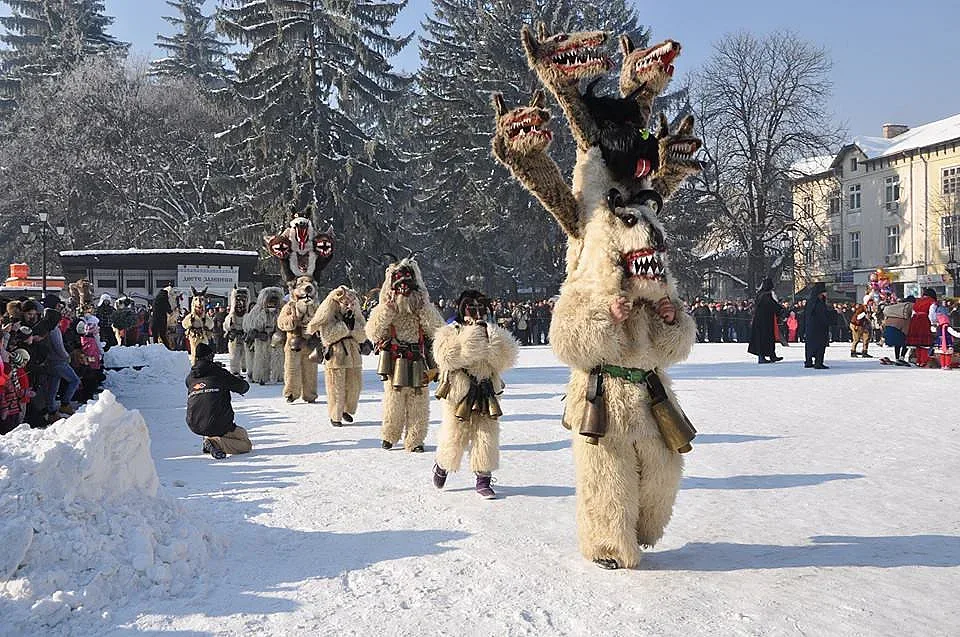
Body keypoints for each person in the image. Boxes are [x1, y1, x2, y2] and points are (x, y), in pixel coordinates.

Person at [185, 342, 252, 459]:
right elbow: (243, 387)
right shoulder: (219, 373)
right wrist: (233, 379)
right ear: (210, 357)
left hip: (195, 424)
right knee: (245, 445)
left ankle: (209, 438)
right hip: (218, 424)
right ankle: (216, 443)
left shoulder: (190, 378)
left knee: (242, 433)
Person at [747, 277, 783, 364]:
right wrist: (780, 308)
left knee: (768, 338)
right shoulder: (765, 295)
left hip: (763, 321)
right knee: (763, 339)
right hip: (763, 322)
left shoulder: (761, 294)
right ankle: (762, 356)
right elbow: (772, 305)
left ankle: (771, 355)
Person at [906, 288, 937, 366]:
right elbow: (932, 314)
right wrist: (934, 322)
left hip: (915, 320)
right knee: (924, 343)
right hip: (924, 320)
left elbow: (913, 312)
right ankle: (924, 361)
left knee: (918, 343)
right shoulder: (932, 302)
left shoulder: (918, 301)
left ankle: (918, 360)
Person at [804, 282, 830, 369]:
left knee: (810, 345)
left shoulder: (810, 301)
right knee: (820, 345)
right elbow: (823, 315)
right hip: (819, 328)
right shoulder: (819, 303)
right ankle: (818, 362)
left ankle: (808, 361)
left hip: (810, 327)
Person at [881, 296, 914, 366]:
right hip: (901, 327)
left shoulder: (897, 307)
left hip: (890, 325)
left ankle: (897, 358)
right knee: (906, 343)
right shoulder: (909, 307)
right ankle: (901, 358)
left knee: (897, 344)